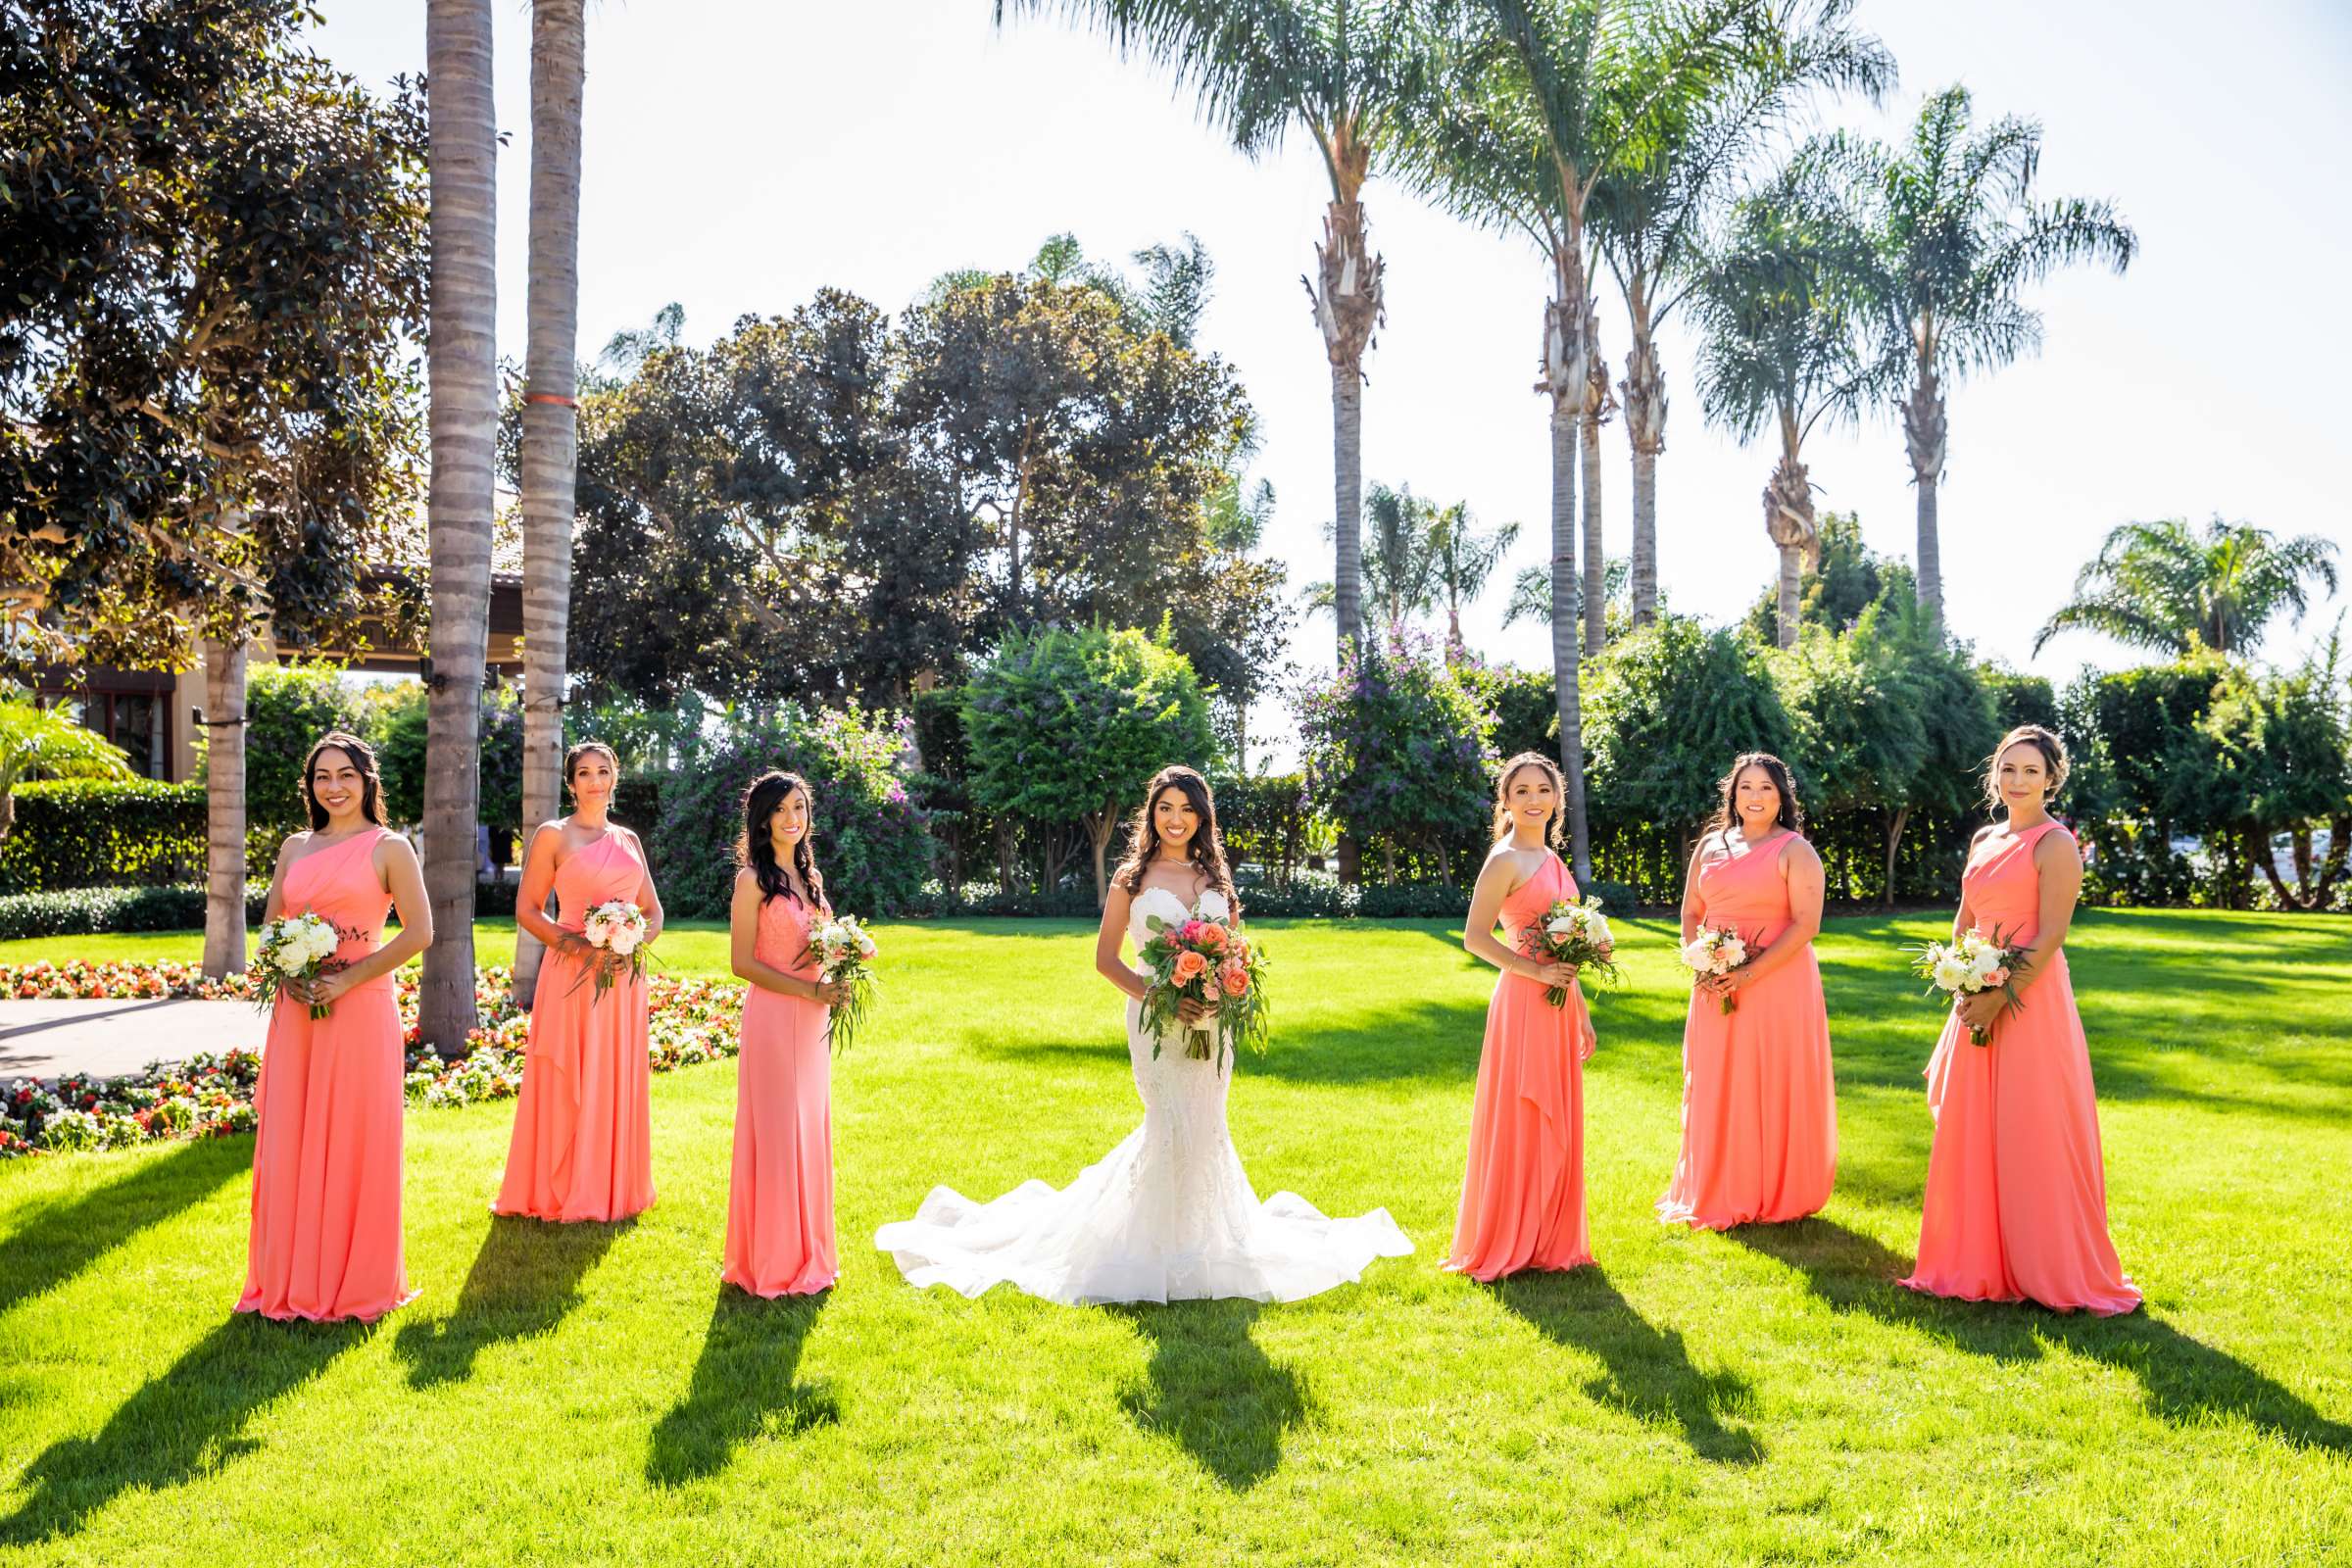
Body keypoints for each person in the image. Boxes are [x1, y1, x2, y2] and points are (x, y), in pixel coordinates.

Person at [875, 764, 1411, 1303]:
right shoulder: (1130, 879)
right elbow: (1105, 959)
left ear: (1202, 817)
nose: (1175, 820)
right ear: (1151, 814)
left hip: (1211, 1022)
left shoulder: (1216, 878)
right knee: (1169, 1121)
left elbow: (1234, 948)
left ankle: (1206, 1240)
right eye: (1165, 808)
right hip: (1154, 1016)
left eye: (1186, 809)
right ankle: (1154, 1248)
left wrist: (1221, 992)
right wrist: (1160, 997)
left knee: (1206, 1123)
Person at [1901, 725, 2140, 1314]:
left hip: (2031, 1001)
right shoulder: (1984, 837)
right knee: (1973, 1124)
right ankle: (1976, 1257)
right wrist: (1961, 977)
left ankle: (2045, 1263)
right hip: (1975, 991)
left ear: (2051, 779)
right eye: (2008, 769)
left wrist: (2000, 994)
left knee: (2030, 1126)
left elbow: (2052, 934)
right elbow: (1966, 919)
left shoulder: (2056, 844)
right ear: (1995, 775)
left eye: (2031, 771)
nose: (2018, 780)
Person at [238, 731, 431, 1322]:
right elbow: (272, 925)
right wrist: (285, 966)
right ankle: (289, 1277)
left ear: (367, 780)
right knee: (292, 1137)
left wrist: (349, 979)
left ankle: (355, 1283)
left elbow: (419, 933)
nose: (335, 787)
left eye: (346, 774)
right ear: (310, 786)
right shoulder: (294, 848)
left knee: (354, 1138)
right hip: (297, 1010)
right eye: (323, 776)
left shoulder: (389, 846)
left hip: (361, 1008)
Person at [1656, 753, 1838, 1230]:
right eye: (1746, 788)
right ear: (1732, 795)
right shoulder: (1710, 845)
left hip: (1779, 983)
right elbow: (1691, 912)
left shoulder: (1795, 850)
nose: (1755, 797)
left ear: (1782, 798)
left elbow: (1806, 924)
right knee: (1716, 1080)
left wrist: (1748, 973)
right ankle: (1716, 1184)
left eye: (1766, 789)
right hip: (1714, 982)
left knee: (1771, 1079)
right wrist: (1699, 957)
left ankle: (1775, 1189)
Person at [494, 741, 662, 1223]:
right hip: (571, 974)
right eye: (584, 773)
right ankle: (560, 1185)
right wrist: (583, 949)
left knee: (613, 1072)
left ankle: (614, 1183)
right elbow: (527, 909)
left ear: (615, 779)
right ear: (570, 784)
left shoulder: (628, 839)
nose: (594, 780)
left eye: (603, 771)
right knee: (569, 1073)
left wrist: (631, 943)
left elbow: (653, 911)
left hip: (623, 979)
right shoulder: (553, 835)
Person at [1445, 753, 1597, 1280]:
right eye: (1522, 791)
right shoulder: (1504, 859)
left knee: (1554, 1117)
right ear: (1506, 802)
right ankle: (1511, 1236)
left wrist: (1580, 1016)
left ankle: (1549, 1237)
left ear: (1557, 799)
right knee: (1522, 1116)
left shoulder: (1555, 861)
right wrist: (1532, 972)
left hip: (1557, 1006)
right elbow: (1475, 938)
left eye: (1543, 790)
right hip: (1522, 1002)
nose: (1534, 800)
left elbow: (1569, 951)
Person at [721, 771, 846, 1297]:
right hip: (774, 1017)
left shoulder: (810, 879)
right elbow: (741, 963)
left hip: (813, 1021)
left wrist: (841, 966)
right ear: (764, 818)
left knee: (808, 1129)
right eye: (781, 810)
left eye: (800, 807)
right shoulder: (753, 879)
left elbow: (821, 944)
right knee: (776, 1132)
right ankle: (771, 1260)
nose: (792, 818)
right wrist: (809, 992)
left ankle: (810, 1252)